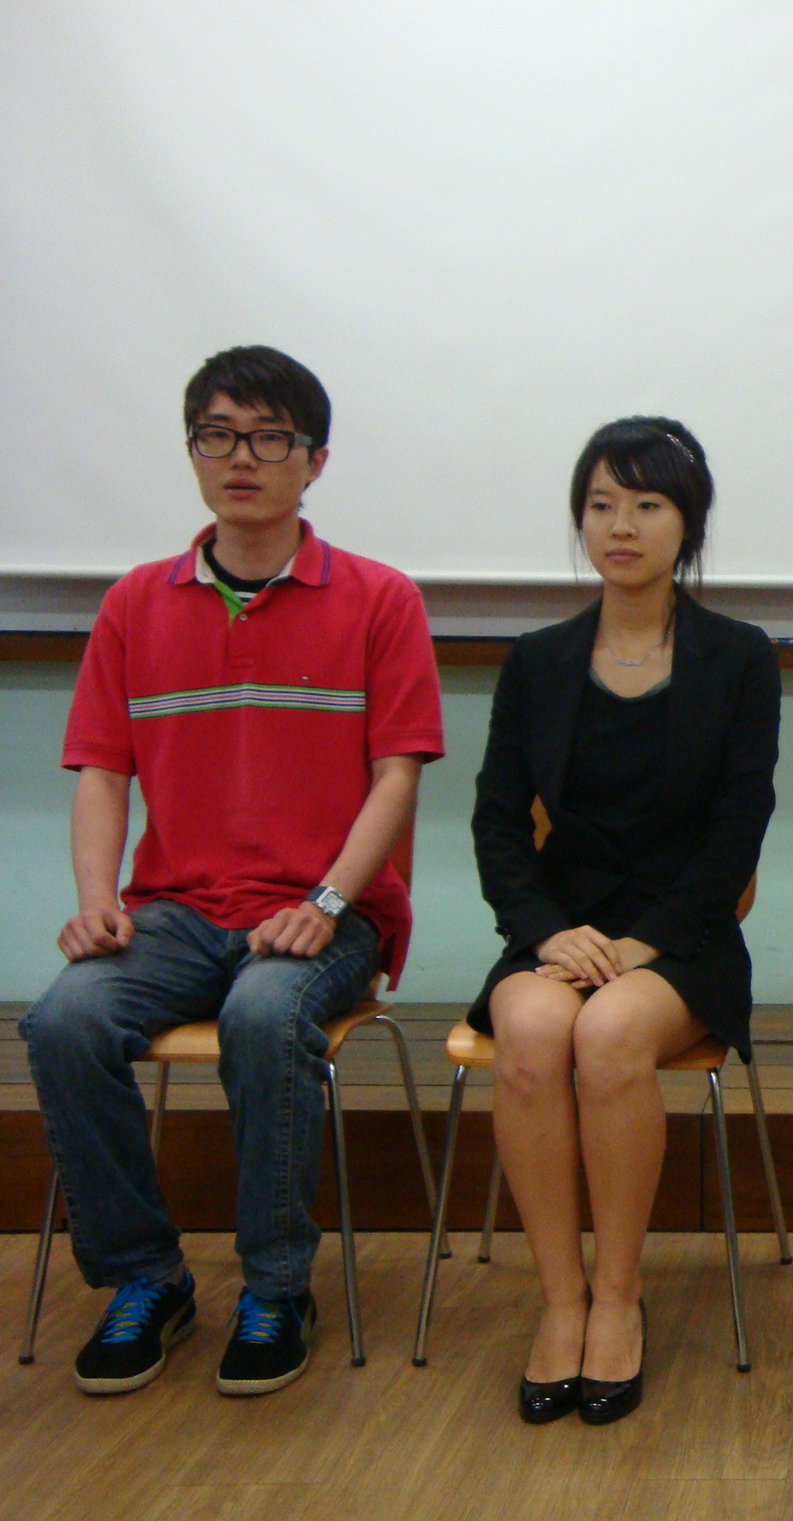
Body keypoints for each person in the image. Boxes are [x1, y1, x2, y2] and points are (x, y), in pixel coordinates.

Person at [19, 346, 444, 1397]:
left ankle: (277, 1288)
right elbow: (102, 773)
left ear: (315, 460)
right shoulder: (135, 604)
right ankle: (145, 1278)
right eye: (216, 436)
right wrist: (95, 905)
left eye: (267, 438)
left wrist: (327, 901)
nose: (240, 458)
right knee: (64, 1019)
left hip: (329, 911)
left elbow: (396, 779)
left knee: (263, 1015)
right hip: (175, 911)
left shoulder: (380, 599)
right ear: (193, 452)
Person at [470, 416, 779, 1426]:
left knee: (607, 1034)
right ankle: (559, 1300)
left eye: (647, 504)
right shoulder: (538, 661)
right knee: (530, 1031)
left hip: (683, 936)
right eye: (601, 503)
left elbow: (738, 828)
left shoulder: (739, 659)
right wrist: (544, 932)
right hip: (562, 929)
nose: (621, 524)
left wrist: (645, 943)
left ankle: (616, 1296)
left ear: (687, 525)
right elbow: (497, 821)